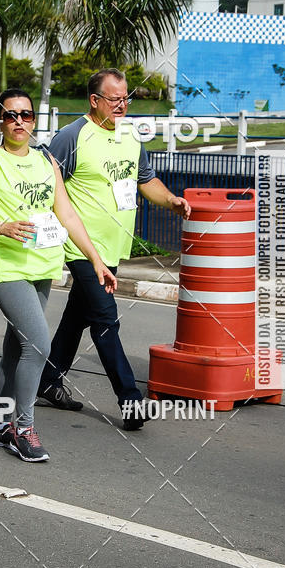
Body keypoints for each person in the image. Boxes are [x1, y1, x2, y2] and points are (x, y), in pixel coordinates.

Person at [0, 88, 116, 462]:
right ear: (0, 119)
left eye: (25, 115)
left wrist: (95, 259)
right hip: (7, 269)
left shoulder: (47, 163)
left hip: (43, 268)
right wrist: (2, 227)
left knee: (16, 350)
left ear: (33, 120)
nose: (19, 122)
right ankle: (22, 427)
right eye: (11, 115)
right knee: (38, 346)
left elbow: (68, 215)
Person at [37, 68, 191, 431]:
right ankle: (130, 400)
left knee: (78, 317)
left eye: (126, 98)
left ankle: (47, 379)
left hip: (114, 247)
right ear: (94, 101)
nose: (122, 105)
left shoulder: (130, 136)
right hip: (82, 248)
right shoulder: (72, 137)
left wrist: (171, 200)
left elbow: (145, 179)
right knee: (105, 320)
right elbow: (45, 182)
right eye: (115, 99)